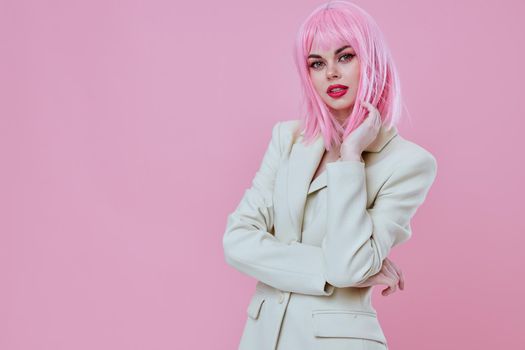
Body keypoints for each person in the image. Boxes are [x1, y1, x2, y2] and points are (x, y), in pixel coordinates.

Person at [222, 1, 437, 349]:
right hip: (262, 338)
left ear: (371, 60)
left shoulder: (409, 164)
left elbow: (347, 268)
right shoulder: (287, 139)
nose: (331, 73)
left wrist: (351, 158)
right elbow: (236, 241)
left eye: (345, 56)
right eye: (317, 63)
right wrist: (341, 268)